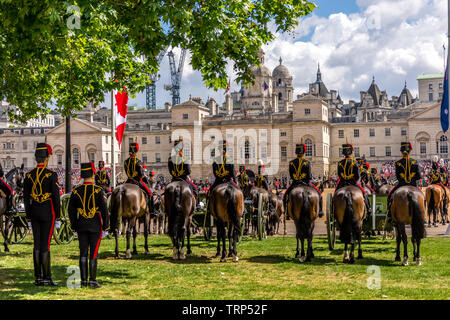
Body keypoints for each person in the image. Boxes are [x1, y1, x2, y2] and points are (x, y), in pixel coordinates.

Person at [24, 143, 61, 286]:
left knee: (36, 245)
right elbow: (56, 199)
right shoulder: (51, 175)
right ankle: (47, 278)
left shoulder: (29, 175)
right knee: (45, 246)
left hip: (33, 213)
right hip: (47, 214)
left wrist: (27, 217)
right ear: (46, 159)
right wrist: (58, 217)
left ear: (35, 158)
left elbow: (26, 198)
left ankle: (38, 278)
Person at [68, 162, 109, 288]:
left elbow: (71, 210)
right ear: (92, 174)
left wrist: (74, 226)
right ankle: (92, 280)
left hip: (81, 225)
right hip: (95, 225)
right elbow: (104, 210)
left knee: (83, 253)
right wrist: (106, 227)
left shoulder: (76, 191)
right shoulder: (99, 190)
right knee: (94, 253)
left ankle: (84, 280)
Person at [284, 143, 324, 217]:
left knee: (285, 196)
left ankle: (286, 214)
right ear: (304, 152)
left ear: (296, 152)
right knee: (319, 194)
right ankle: (320, 211)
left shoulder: (291, 163)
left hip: (295, 183)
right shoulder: (307, 162)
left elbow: (291, 175)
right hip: (306, 183)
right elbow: (309, 176)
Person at [335, 144, 372, 214]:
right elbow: (357, 176)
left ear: (343, 152)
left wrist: (344, 178)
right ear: (351, 152)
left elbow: (339, 175)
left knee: (335, 194)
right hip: (353, 183)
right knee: (364, 194)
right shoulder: (354, 162)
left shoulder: (340, 163)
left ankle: (333, 210)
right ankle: (368, 208)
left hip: (342, 183)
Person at [387, 142, 421, 215]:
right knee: (422, 197)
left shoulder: (398, 163)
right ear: (410, 151)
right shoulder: (415, 162)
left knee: (390, 196)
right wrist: (412, 179)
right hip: (413, 184)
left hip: (401, 185)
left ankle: (389, 213)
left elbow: (398, 176)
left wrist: (404, 180)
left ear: (401, 151)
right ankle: (422, 215)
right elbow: (419, 176)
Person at [124, 142, 152, 206]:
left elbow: (126, 172)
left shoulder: (125, 162)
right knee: (150, 194)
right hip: (137, 181)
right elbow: (141, 174)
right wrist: (145, 179)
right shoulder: (138, 162)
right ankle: (152, 211)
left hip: (128, 181)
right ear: (136, 152)